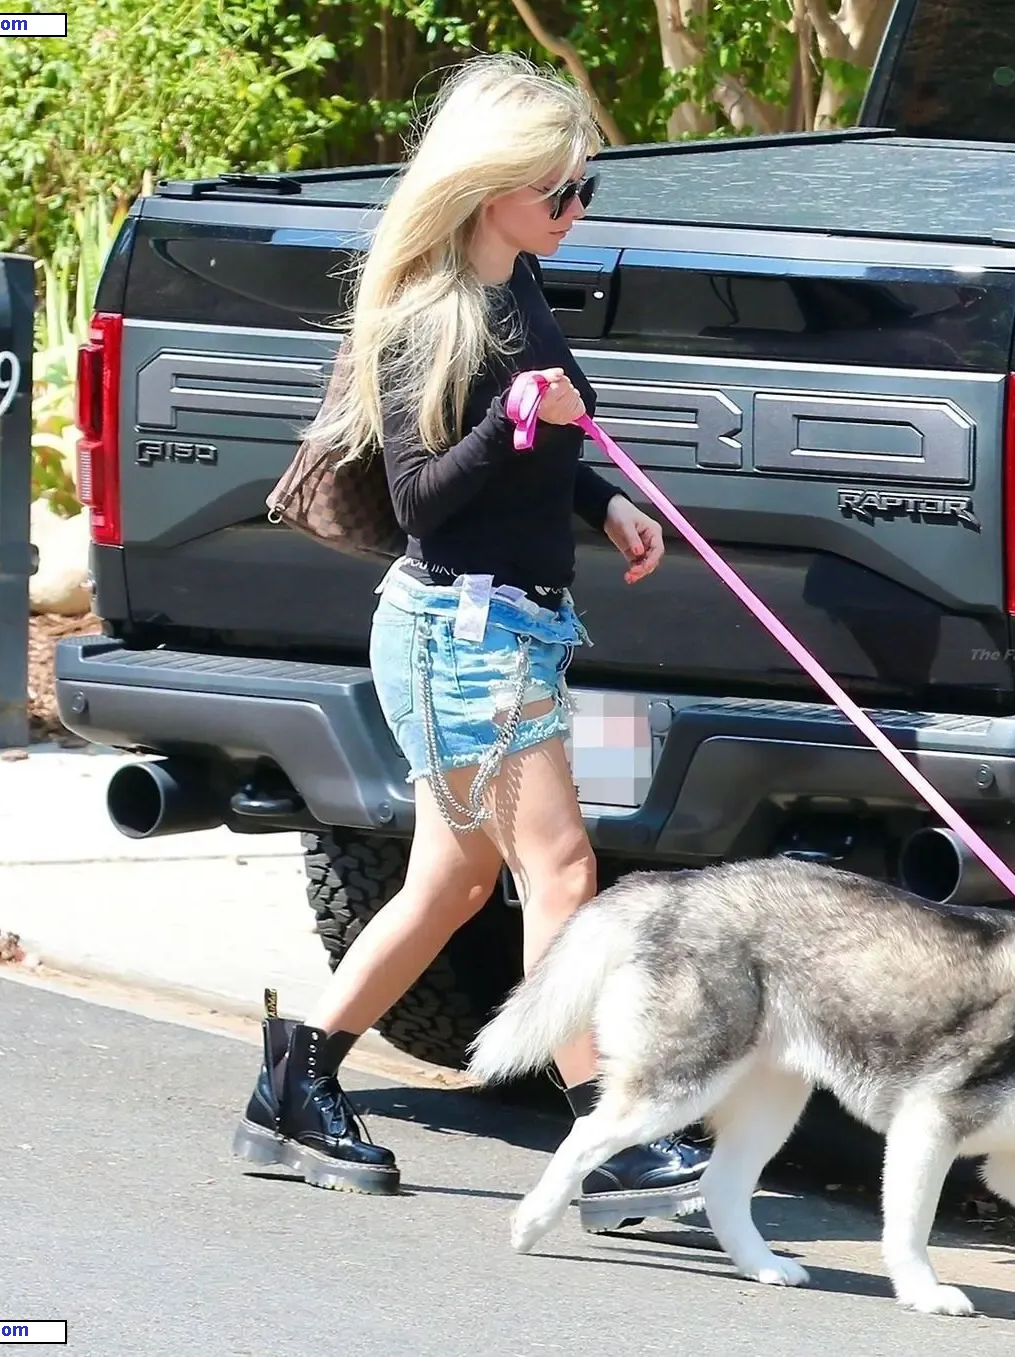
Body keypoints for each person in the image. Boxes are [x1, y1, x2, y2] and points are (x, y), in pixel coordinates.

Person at [229, 52, 712, 1226]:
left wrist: (603, 501)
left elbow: (540, 451)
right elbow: (424, 501)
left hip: (511, 626)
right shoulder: (425, 319)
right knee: (562, 869)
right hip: (462, 632)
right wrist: (513, 420)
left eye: (585, 185)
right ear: (493, 188)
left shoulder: (520, 285)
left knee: (451, 881)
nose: (577, 206)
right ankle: (607, 1135)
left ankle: (292, 1088)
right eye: (560, 188)